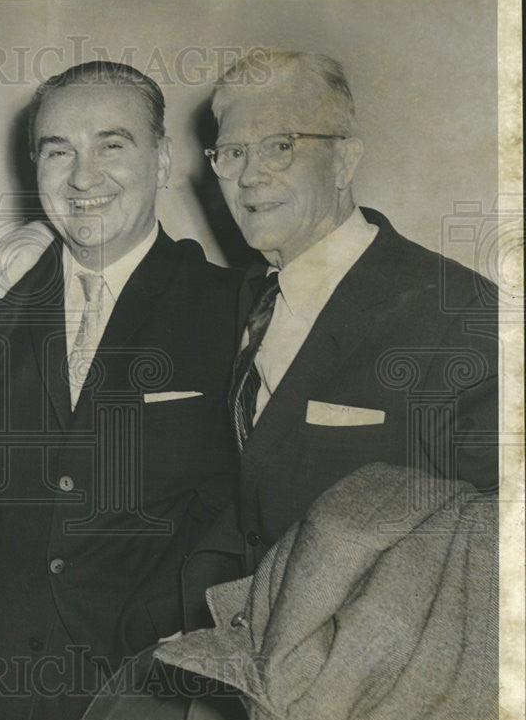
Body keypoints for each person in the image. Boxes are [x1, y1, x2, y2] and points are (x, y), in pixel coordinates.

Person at [0, 61, 241, 720]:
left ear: (164, 161)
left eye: (112, 146)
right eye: (59, 150)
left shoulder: (231, 306)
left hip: (151, 697)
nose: (83, 177)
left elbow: (251, 503)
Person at [181, 50, 498, 627]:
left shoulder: (457, 313)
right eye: (232, 153)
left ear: (344, 160)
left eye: (281, 145)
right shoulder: (249, 298)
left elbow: (502, 539)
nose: (251, 174)